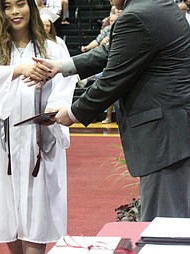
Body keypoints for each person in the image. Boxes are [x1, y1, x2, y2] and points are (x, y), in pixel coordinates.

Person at [32, 0, 190, 222]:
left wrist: (73, 113)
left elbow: (113, 79)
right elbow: (115, 50)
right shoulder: (159, 4)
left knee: (163, 227)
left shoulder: (136, 16)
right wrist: (61, 66)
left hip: (164, 139)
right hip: (175, 130)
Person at [0, 0, 76, 254]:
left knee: (38, 200)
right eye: (7, 7)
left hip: (38, 135)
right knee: (6, 200)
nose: (15, 12)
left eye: (20, 4)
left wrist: (55, 108)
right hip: (1, 137)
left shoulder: (52, 47)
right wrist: (18, 69)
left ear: (32, 7)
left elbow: (66, 82)